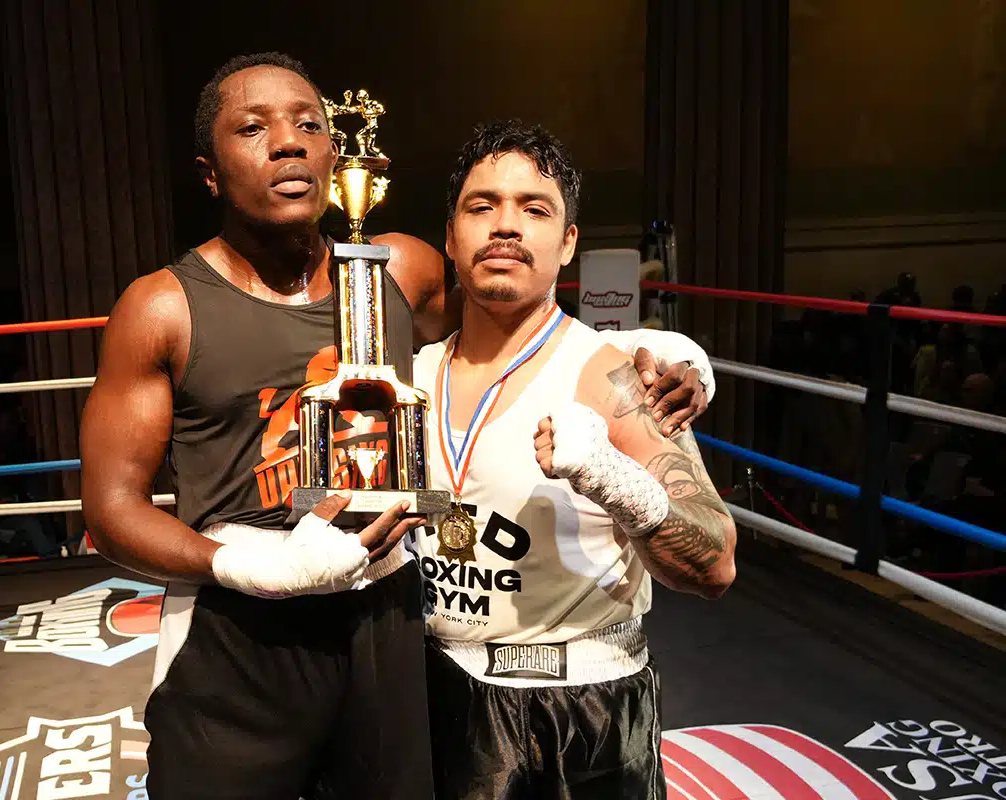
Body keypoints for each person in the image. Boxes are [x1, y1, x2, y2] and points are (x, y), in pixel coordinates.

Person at [80, 52, 713, 799]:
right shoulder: (162, 307)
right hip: (237, 639)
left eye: (308, 124)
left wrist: (651, 355)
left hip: (385, 624)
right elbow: (110, 511)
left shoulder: (399, 272)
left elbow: (507, 313)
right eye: (252, 129)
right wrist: (248, 567)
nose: (287, 143)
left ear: (333, 152)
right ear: (209, 172)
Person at [412, 120, 738, 799]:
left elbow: (716, 563)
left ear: (567, 244)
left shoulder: (612, 379)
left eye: (534, 209)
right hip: (433, 690)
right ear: (450, 235)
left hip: (580, 714)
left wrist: (615, 480)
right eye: (482, 205)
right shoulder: (411, 376)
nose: (506, 225)